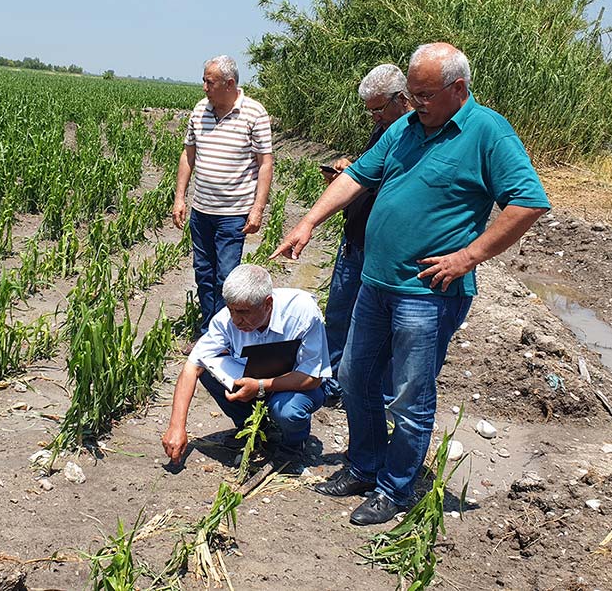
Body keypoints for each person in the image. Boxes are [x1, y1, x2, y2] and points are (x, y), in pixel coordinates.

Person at [271, 43, 551, 525]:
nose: (414, 101)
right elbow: (357, 176)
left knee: (410, 394)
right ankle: (363, 465)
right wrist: (308, 221)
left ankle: (395, 489)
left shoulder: (488, 133)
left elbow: (528, 202)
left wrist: (468, 256)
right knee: (356, 377)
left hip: (426, 294)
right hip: (375, 283)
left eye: (423, 94)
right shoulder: (403, 128)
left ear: (458, 88)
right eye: (411, 92)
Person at [161, 264, 330, 466]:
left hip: (295, 385)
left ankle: (293, 445)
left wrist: (261, 386)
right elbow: (191, 367)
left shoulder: (302, 312)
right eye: (231, 310)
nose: (236, 320)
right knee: (207, 369)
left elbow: (313, 377)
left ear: (268, 303)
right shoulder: (225, 320)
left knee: (288, 411)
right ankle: (256, 430)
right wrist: (177, 426)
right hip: (252, 377)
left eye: (243, 312)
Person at [321, 64, 414, 399]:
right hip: (355, 241)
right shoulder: (384, 129)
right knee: (339, 316)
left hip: (383, 250)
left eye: (378, 108)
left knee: (382, 327)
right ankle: (333, 383)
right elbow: (369, 175)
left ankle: (379, 395)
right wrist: (349, 173)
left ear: (402, 98)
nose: (373, 116)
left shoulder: (415, 134)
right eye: (369, 110)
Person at [172, 56, 273, 345]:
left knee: (226, 278)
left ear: (229, 84)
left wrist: (257, 209)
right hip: (201, 210)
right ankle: (209, 330)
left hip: (233, 214)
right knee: (203, 274)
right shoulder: (199, 111)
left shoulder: (254, 113)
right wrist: (180, 198)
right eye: (204, 80)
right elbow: (188, 155)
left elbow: (265, 163)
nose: (204, 87)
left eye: (209, 81)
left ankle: (225, 336)